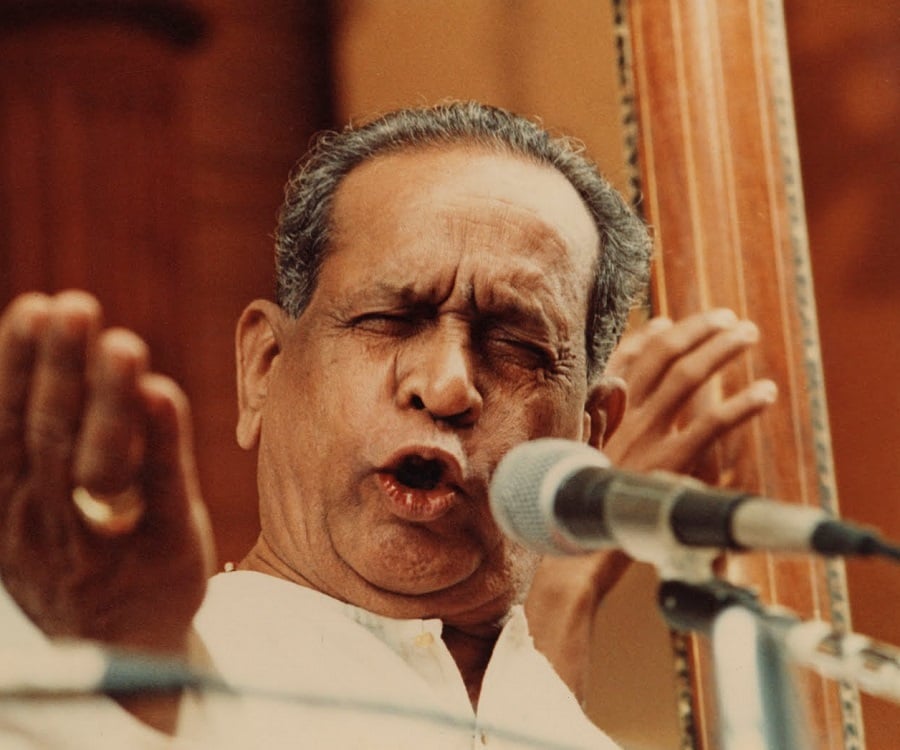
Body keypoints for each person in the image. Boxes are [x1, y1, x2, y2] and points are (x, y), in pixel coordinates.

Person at [0, 102, 775, 748]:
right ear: (264, 368)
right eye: (388, 319)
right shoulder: (161, 678)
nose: (446, 386)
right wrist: (115, 682)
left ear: (591, 436)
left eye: (517, 345)